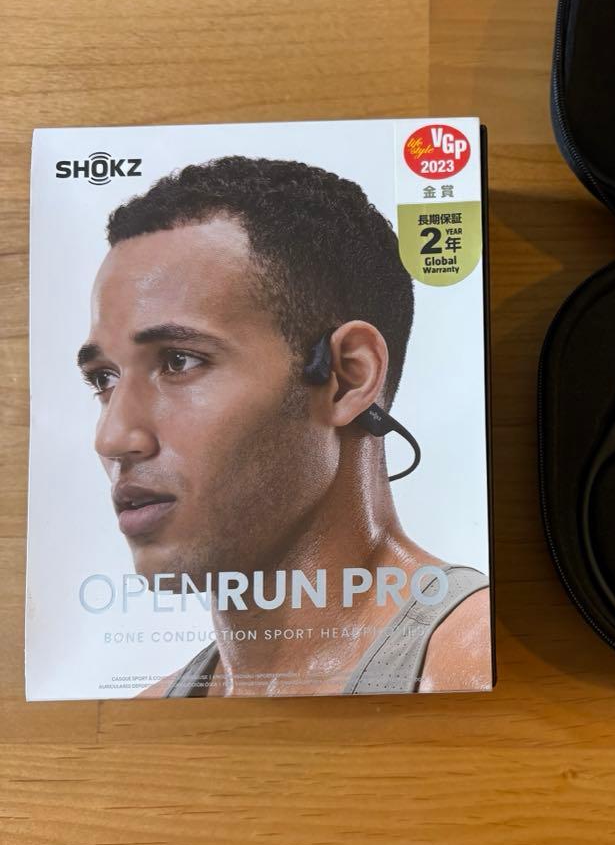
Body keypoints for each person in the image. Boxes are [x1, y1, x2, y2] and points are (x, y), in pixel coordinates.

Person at [75, 156, 491, 697]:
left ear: (347, 378)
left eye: (179, 361)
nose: (112, 439)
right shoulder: (152, 707)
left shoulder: (471, 659)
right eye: (103, 378)